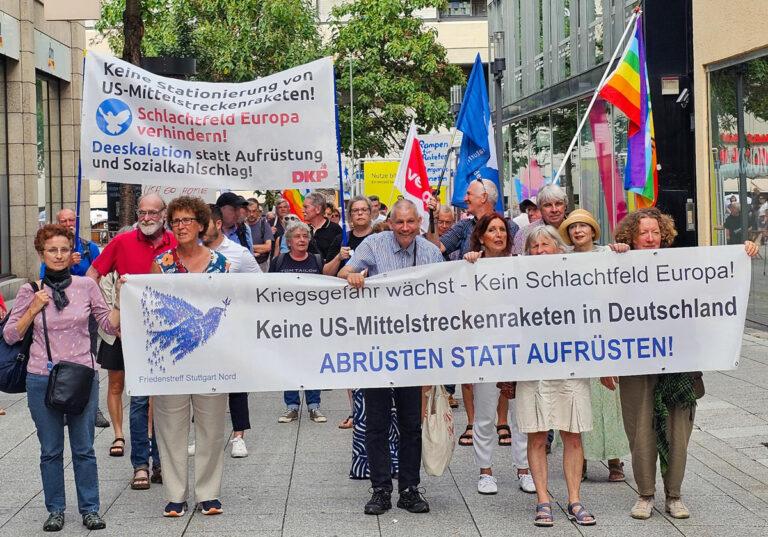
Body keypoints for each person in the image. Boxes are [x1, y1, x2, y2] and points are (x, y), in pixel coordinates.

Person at [614, 208, 759, 520]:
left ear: (663, 235)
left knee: (678, 429)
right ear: (632, 237)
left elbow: (717, 286)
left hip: (679, 362)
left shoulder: (683, 267)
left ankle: (674, 495)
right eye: (643, 233)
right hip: (636, 362)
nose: (649, 238)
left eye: (654, 232)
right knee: (640, 429)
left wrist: (742, 254)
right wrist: (614, 256)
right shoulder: (618, 265)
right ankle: (645, 494)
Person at [4, 224, 121, 531]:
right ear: (41, 254)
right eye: (51, 250)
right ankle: (55, 509)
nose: (58, 255)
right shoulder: (31, 289)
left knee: (84, 448)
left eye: (63, 250)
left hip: (82, 375)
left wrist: (120, 299)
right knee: (51, 450)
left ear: (72, 254)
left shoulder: (86, 286)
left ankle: (90, 508)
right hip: (42, 378)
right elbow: (11, 334)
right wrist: (33, 308)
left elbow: (108, 326)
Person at [339, 199, 443, 515]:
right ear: (391, 221)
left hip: (413, 350)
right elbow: (346, 270)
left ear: (419, 222)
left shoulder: (430, 251)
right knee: (376, 422)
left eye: (411, 222)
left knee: (412, 423)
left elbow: (446, 289)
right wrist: (352, 276)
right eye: (400, 222)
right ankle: (381, 489)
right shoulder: (373, 243)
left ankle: (410, 489)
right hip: (378, 349)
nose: (405, 228)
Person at [87, 193, 176, 491]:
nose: (147, 217)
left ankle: (164, 462)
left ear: (163, 214)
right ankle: (141, 464)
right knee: (139, 402)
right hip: (132, 335)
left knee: (166, 401)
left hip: (168, 336)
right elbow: (92, 277)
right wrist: (105, 317)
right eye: (142, 212)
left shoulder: (177, 243)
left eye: (153, 212)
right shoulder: (121, 242)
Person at [150, 197, 230, 518]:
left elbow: (232, 306)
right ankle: (175, 494)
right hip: (174, 359)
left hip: (212, 358)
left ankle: (208, 493)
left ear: (201, 224)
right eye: (176, 222)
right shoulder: (161, 263)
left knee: (211, 427)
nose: (181, 227)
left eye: (187, 221)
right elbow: (150, 308)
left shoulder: (221, 264)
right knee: (171, 426)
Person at [426, 179, 519, 449]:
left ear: (485, 197)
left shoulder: (509, 224)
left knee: (502, 368)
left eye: (469, 193)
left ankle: (501, 421)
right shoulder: (462, 226)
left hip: (502, 312)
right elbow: (436, 250)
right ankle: (473, 421)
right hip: (469, 311)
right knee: (470, 368)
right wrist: (432, 220)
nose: (464, 197)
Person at [518, 225, 595, 527]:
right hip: (532, 364)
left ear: (558, 249)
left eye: (545, 245)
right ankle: (543, 500)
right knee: (537, 434)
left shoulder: (575, 275)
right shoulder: (518, 279)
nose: (539, 251)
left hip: (570, 362)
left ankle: (574, 499)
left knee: (572, 433)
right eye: (534, 247)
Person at [461, 213, 536, 495]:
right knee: (484, 414)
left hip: (518, 349)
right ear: (481, 236)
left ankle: (524, 469)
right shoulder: (472, 266)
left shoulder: (520, 266)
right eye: (491, 230)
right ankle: (486, 471)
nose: (498, 235)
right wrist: (469, 266)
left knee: (522, 413)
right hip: (486, 351)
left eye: (502, 230)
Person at [558, 210, 630, 482]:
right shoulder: (561, 259)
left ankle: (615, 458)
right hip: (576, 336)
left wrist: (622, 250)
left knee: (609, 399)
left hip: (606, 334)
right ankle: (582, 458)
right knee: (579, 397)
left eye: (583, 226)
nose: (578, 231)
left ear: (592, 230)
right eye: (573, 227)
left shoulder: (608, 254)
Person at [43, 209, 110, 429]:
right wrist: (67, 263)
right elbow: (44, 277)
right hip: (57, 312)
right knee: (58, 360)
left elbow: (101, 272)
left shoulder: (88, 246)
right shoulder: (54, 249)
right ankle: (60, 402)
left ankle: (93, 408)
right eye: (64, 221)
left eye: (72, 220)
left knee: (88, 359)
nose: (68, 224)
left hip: (84, 312)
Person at [203, 205, 261, 458]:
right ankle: (205, 436)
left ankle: (239, 435)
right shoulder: (190, 253)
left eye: (202, 225)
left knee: (236, 384)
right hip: (203, 331)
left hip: (233, 328)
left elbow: (259, 285)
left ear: (217, 224)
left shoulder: (239, 254)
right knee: (204, 384)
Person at [270, 221, 328, 424]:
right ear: (289, 241)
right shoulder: (278, 262)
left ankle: (314, 406)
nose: (302, 240)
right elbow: (269, 291)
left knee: (312, 362)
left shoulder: (318, 261)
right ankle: (291, 406)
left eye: (305, 236)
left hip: (313, 323)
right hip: (287, 324)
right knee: (289, 363)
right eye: (297, 236)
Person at [95, 226, 134, 461]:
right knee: (115, 385)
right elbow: (103, 304)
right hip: (114, 335)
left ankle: (148, 433)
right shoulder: (106, 273)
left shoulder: (145, 268)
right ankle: (118, 434)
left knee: (146, 391)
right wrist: (118, 329)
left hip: (141, 336)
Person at [512, 184, 568, 255]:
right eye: (547, 205)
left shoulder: (577, 230)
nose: (554, 210)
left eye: (558, 204)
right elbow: (516, 263)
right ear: (540, 208)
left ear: (565, 206)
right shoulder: (524, 234)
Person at [303, 192, 343, 263]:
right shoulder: (303, 229)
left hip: (328, 273)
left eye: (306, 207)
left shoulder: (335, 230)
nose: (303, 211)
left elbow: (339, 258)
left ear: (318, 209)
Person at [245, 198, 274, 272]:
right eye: (249, 211)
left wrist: (246, 247)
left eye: (254, 211)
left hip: (261, 265)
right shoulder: (240, 225)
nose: (251, 214)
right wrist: (256, 250)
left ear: (258, 211)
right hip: (244, 265)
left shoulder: (264, 225)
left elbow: (267, 247)